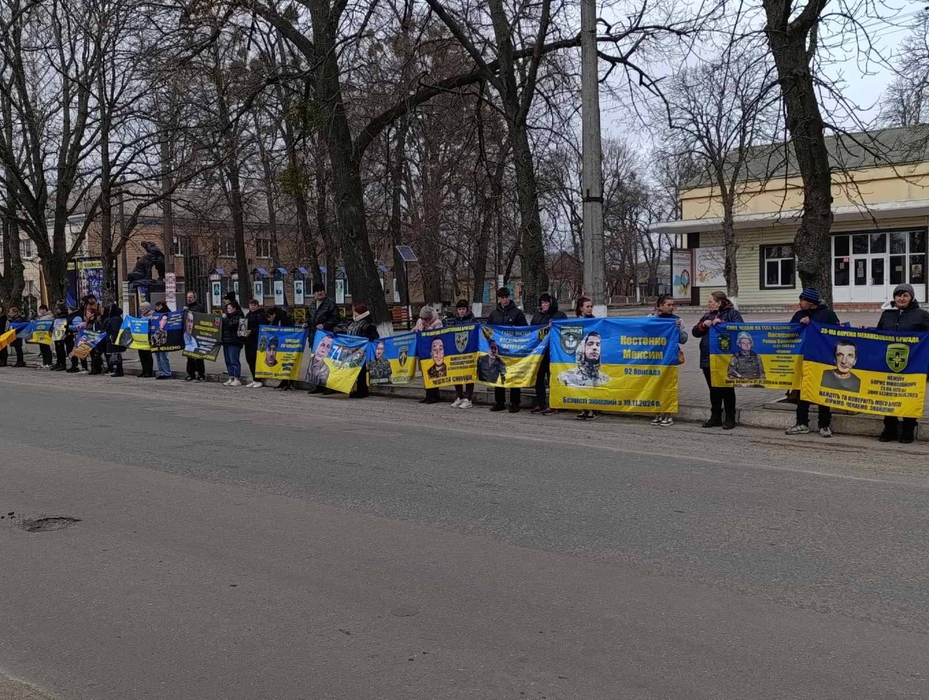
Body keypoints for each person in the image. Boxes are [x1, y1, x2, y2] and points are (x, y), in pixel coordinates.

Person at [876, 283, 929, 444]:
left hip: (913, 363)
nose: (901, 298)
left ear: (911, 297)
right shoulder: (887, 314)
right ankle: (890, 428)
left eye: (905, 295)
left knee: (909, 396)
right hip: (889, 362)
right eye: (898, 295)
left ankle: (908, 429)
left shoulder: (921, 315)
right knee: (889, 395)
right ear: (894, 297)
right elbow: (878, 334)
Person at [786, 288, 841, 438]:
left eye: (802, 300)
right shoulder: (799, 315)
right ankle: (801, 423)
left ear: (811, 302)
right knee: (802, 392)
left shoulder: (828, 314)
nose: (799, 303)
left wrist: (813, 323)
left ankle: (824, 425)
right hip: (803, 359)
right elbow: (790, 333)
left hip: (822, 359)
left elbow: (836, 333)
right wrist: (800, 325)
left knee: (822, 391)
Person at [692, 291, 743, 429]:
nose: (708, 304)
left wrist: (723, 324)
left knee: (726, 388)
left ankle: (730, 417)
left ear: (719, 302)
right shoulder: (707, 315)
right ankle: (715, 416)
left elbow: (740, 329)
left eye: (710, 301)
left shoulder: (732, 314)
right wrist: (704, 325)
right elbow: (695, 332)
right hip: (708, 357)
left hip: (725, 357)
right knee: (713, 389)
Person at [648, 295, 688, 427]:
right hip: (655, 357)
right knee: (656, 384)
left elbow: (683, 339)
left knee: (669, 385)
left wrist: (677, 329)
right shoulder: (651, 319)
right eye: (668, 305)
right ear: (660, 306)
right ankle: (658, 412)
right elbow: (643, 334)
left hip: (670, 357)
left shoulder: (677, 320)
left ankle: (668, 413)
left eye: (673, 305)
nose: (671, 307)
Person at [486, 287, 526, 413]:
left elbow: (524, 330)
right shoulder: (494, 314)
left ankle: (515, 403)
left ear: (510, 297)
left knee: (513, 375)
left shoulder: (517, 313)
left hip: (513, 350)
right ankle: (499, 402)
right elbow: (488, 330)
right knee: (499, 375)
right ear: (499, 299)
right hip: (498, 350)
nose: (505, 300)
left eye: (507, 297)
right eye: (502, 298)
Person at [530, 293, 567, 416]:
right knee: (539, 379)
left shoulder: (560, 316)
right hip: (540, 353)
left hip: (554, 354)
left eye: (546, 302)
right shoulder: (537, 316)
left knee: (553, 379)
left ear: (551, 303)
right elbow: (532, 332)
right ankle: (540, 403)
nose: (544, 305)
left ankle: (554, 404)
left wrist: (555, 326)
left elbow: (566, 332)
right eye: (542, 303)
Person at [572, 295, 600, 420]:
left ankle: (592, 410)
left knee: (591, 383)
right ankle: (584, 408)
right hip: (580, 357)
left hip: (591, 358)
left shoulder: (594, 321)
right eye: (587, 307)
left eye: (591, 306)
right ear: (581, 308)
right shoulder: (575, 321)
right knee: (581, 382)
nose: (590, 309)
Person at [345, 303, 379, 398]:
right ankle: (356, 390)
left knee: (362, 372)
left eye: (356, 312)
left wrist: (370, 338)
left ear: (361, 313)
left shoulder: (368, 324)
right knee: (355, 371)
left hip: (363, 352)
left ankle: (363, 391)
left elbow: (375, 335)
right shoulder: (354, 322)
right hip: (353, 352)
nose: (354, 314)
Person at [412, 305, 444, 404]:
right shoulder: (419, 321)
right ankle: (428, 394)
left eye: (426, 319)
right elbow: (414, 331)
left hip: (432, 352)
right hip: (422, 352)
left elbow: (438, 336)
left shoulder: (437, 323)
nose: (424, 321)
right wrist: (415, 331)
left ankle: (434, 395)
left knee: (433, 373)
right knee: (424, 373)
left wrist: (429, 328)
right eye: (422, 319)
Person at [449, 300, 476, 408]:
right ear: (457, 310)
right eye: (459, 309)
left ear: (467, 309)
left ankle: (468, 398)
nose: (461, 311)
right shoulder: (453, 322)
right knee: (457, 374)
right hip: (456, 352)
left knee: (468, 374)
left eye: (463, 309)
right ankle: (459, 396)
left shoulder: (472, 321)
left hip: (469, 352)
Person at [266, 306, 296, 390]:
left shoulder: (284, 319)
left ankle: (290, 382)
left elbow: (291, 331)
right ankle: (284, 381)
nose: (269, 319)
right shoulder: (276, 321)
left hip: (288, 344)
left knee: (288, 363)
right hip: (280, 345)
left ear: (274, 315)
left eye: (269, 317)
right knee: (282, 362)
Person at [243, 299, 268, 388]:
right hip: (248, 341)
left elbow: (263, 328)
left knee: (256, 360)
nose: (252, 307)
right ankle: (254, 379)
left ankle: (259, 380)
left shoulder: (261, 315)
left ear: (257, 306)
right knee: (249, 359)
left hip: (257, 340)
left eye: (254, 305)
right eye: (251, 305)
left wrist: (252, 331)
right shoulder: (247, 315)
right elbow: (243, 325)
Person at [183, 292, 206, 382]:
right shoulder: (186, 308)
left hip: (196, 333)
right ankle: (190, 373)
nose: (189, 299)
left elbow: (199, 317)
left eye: (191, 297)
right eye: (188, 297)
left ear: (195, 298)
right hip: (188, 333)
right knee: (189, 355)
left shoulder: (199, 307)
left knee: (198, 355)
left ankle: (201, 374)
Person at [221, 300, 245, 386]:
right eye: (227, 308)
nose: (228, 310)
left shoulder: (238, 316)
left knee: (234, 360)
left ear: (234, 309)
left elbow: (232, 325)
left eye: (229, 308)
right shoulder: (227, 316)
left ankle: (237, 378)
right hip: (226, 341)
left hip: (234, 341)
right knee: (228, 360)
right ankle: (231, 377)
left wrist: (226, 318)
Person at [152, 300, 173, 380]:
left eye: (159, 306)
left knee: (163, 356)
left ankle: (167, 372)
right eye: (157, 306)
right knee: (158, 356)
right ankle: (161, 372)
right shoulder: (155, 315)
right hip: (156, 337)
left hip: (164, 338)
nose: (158, 308)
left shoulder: (167, 314)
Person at [104, 303, 125, 377]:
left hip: (114, 340)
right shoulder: (117, 318)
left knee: (116, 355)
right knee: (116, 355)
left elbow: (115, 330)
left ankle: (119, 371)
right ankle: (118, 370)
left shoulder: (115, 319)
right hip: (115, 339)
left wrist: (113, 339)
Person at [137, 301, 156, 378]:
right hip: (141, 337)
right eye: (141, 307)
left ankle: (149, 371)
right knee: (141, 355)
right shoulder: (142, 316)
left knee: (147, 355)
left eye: (143, 307)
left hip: (147, 337)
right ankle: (144, 370)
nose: (142, 309)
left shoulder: (152, 316)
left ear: (147, 308)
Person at [36, 304, 54, 369]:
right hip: (40, 334)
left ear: (46, 310)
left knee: (47, 348)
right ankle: (45, 362)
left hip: (46, 334)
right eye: (41, 309)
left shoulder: (49, 316)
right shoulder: (40, 317)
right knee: (42, 349)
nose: (42, 311)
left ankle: (49, 362)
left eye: (43, 309)